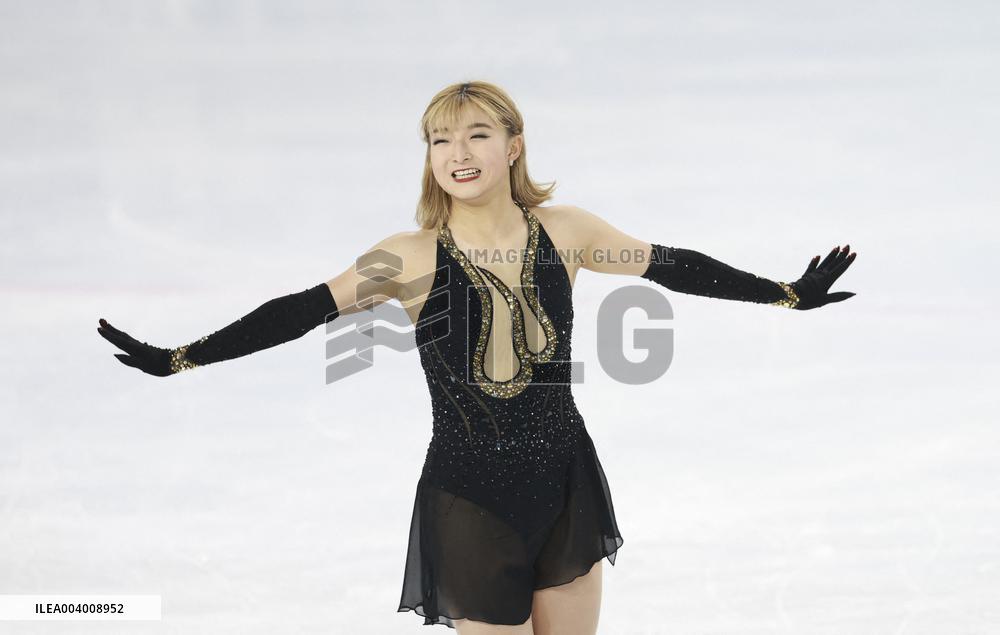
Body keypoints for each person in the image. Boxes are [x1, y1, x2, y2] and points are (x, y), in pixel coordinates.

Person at [97, 80, 858, 634]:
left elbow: (669, 263)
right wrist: (183, 357)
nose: (457, 154)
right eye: (440, 140)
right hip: (470, 498)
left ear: (514, 144)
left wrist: (785, 292)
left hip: (566, 483)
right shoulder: (408, 257)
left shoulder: (566, 229)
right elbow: (300, 311)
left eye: (477, 135)